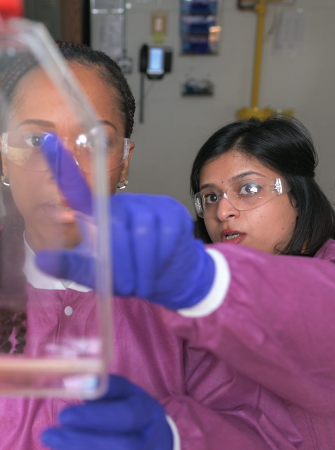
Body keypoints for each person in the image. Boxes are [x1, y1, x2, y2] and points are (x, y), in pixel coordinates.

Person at [0, 42, 287, 450]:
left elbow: (256, 429)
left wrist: (176, 436)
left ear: (124, 162)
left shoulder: (186, 297)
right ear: (3, 157)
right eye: (34, 140)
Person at [38, 116, 335, 450]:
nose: (223, 210)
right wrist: (174, 435)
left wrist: (208, 280)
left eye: (248, 189)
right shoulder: (198, 314)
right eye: (210, 197)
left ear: (298, 196)